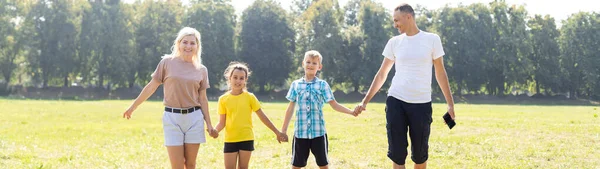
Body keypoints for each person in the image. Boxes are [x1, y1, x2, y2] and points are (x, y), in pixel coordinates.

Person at [355, 4, 456, 169]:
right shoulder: (394, 42)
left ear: (409, 16)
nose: (395, 24)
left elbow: (440, 73)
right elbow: (382, 74)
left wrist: (450, 105)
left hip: (421, 104)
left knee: (420, 155)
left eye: (397, 20)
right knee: (397, 154)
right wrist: (365, 101)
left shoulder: (432, 39)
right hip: (396, 100)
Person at [122, 27, 218, 169]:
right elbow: (151, 86)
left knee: (191, 165)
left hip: (194, 118)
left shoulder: (202, 69)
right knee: (177, 165)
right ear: (179, 43)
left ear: (197, 46)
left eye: (192, 43)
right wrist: (133, 107)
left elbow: (203, 99)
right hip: (172, 118)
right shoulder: (167, 62)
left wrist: (209, 124)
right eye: (185, 42)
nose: (188, 46)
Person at [281, 50, 359, 169]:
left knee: (323, 165)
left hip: (318, 133)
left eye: (314, 63)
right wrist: (284, 130)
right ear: (303, 64)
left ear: (319, 67)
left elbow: (334, 104)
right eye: (308, 62)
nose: (310, 65)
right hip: (300, 133)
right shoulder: (296, 85)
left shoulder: (322, 85)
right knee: (296, 165)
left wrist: (351, 112)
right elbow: (290, 108)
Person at [214, 61, 286, 169]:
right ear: (229, 78)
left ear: (245, 80)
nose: (238, 81)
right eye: (235, 77)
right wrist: (215, 131)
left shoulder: (250, 97)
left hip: (246, 138)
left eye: (241, 78)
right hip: (230, 140)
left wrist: (277, 132)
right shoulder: (223, 99)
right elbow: (221, 122)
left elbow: (263, 117)